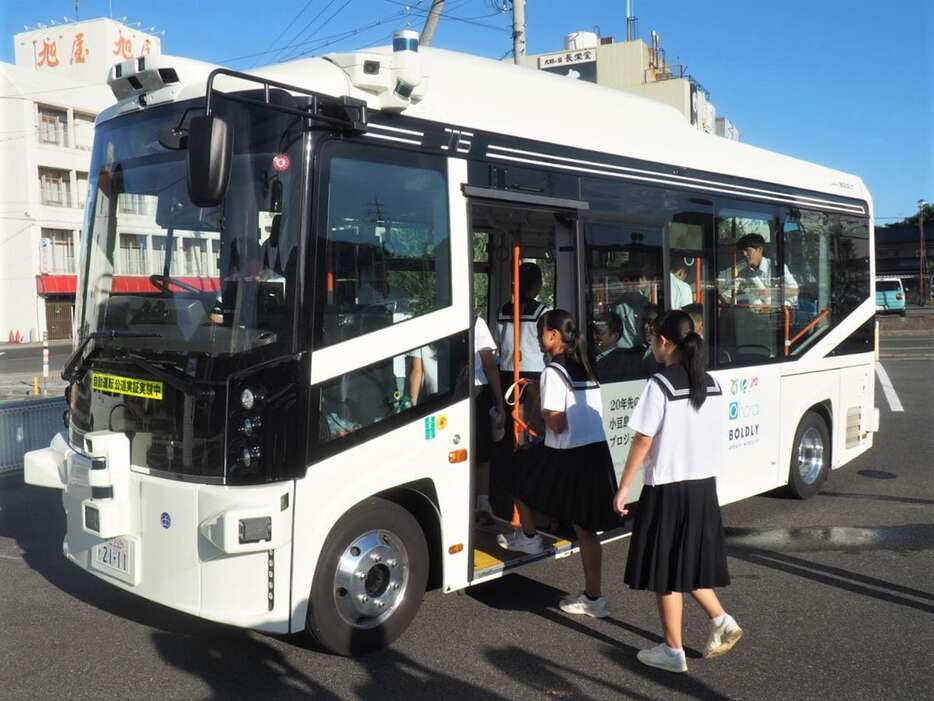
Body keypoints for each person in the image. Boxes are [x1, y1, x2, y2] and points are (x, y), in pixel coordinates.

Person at [614, 310, 742, 673]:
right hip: (702, 487)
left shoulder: (660, 384)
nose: (652, 345)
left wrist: (624, 489)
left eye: (654, 339)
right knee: (686, 562)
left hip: (668, 488)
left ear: (665, 343)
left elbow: (642, 440)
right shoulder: (712, 383)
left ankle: (673, 650)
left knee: (665, 570)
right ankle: (720, 620)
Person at [498, 309, 620, 618]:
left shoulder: (553, 372)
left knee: (513, 471)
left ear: (553, 335)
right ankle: (594, 598)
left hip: (567, 455)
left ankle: (529, 537)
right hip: (595, 454)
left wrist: (536, 404)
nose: (539, 340)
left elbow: (557, 424)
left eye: (541, 333)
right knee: (585, 528)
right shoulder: (586, 367)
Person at [497, 261, 547, 439]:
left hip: (507, 371)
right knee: (531, 424)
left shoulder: (502, 311)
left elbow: (499, 341)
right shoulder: (541, 311)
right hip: (533, 373)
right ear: (538, 285)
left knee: (512, 422)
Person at [473, 316, 506, 525]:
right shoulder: (476, 322)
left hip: (446, 389)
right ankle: (483, 503)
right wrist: (500, 402)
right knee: (482, 451)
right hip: (477, 392)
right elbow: (489, 365)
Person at [720, 233, 798, 307]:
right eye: (742, 252)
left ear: (760, 250)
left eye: (748, 250)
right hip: (754, 316)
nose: (744, 254)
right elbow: (729, 296)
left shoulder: (777, 267)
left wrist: (770, 292)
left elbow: (795, 291)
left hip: (779, 315)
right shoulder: (743, 272)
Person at [593, 311, 642, 382]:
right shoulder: (590, 355)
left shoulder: (625, 362)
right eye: (593, 332)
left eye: (600, 333)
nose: (595, 337)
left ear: (615, 336)